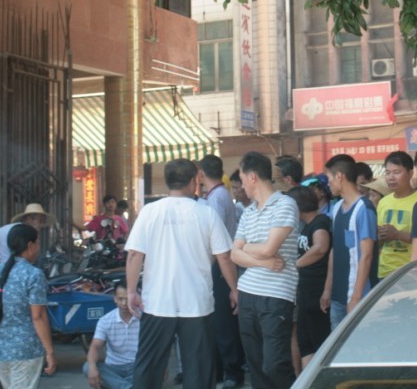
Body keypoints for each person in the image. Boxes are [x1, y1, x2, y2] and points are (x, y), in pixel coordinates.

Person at [125, 159, 237, 389]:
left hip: (157, 303)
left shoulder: (150, 211)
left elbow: (135, 254)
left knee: (148, 367)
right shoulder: (206, 214)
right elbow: (224, 257)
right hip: (197, 304)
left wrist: (130, 291)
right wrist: (234, 289)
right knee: (199, 370)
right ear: (194, 181)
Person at [231, 151, 300, 389]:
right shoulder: (248, 212)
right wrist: (263, 262)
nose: (241, 186)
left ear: (252, 177)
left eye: (242, 179)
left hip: (276, 295)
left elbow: (270, 248)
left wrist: (246, 247)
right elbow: (233, 254)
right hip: (247, 293)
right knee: (256, 366)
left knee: (275, 364)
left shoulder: (285, 204)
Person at [0, 224, 55, 388]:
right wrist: (49, 351)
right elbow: (38, 316)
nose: (38, 248)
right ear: (30, 245)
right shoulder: (33, 274)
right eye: (37, 243)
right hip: (26, 350)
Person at [198, 154, 245, 389]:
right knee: (221, 320)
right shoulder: (221, 195)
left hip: (220, 264)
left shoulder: (216, 198)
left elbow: (213, 238)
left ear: (201, 173)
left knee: (223, 321)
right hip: (223, 261)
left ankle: (231, 371)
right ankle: (223, 369)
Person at [321, 154, 378, 330]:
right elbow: (335, 250)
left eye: (329, 178)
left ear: (339, 176)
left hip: (358, 296)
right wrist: (327, 289)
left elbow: (367, 255)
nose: (328, 183)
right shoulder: (337, 207)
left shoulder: (364, 208)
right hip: (337, 295)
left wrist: (356, 297)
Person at [287, 185, 332, 368]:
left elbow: (321, 247)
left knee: (320, 342)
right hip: (304, 293)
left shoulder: (320, 222)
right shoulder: (305, 226)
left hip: (317, 292)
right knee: (305, 343)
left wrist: (295, 265)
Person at [375, 151, 417, 279]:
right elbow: (378, 241)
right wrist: (379, 236)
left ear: (410, 173)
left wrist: (398, 234)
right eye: (387, 173)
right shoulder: (383, 202)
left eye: (396, 172)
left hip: (412, 272)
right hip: (385, 271)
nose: (391, 177)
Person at [83, 282, 138, 389]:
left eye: (128, 299)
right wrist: (92, 367)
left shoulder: (144, 319)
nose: (124, 303)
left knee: (153, 369)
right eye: (120, 299)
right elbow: (95, 347)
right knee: (87, 367)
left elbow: (155, 346)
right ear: (115, 299)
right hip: (113, 368)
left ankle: (116, 384)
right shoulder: (105, 321)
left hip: (137, 367)